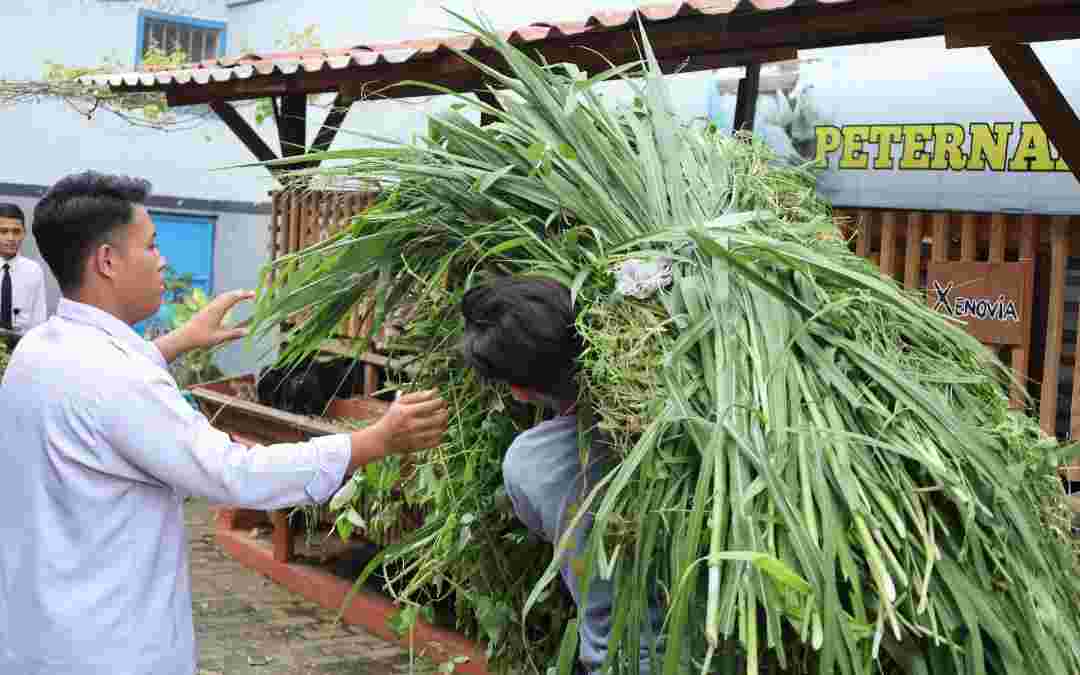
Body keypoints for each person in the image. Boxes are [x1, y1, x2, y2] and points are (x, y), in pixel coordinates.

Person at [0, 171, 449, 675]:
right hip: (108, 647)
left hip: (41, 631)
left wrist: (179, 341)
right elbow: (234, 474)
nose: (162, 260)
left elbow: (104, 394)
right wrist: (370, 442)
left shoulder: (38, 349)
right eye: (151, 245)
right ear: (107, 261)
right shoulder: (119, 379)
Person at [460, 276, 661, 675]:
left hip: (616, 662)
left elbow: (543, 529)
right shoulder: (680, 425)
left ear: (518, 391)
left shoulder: (527, 464)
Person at [0, 203, 48, 346]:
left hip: (22, 348)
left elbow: (39, 323)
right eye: (3, 231)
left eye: (16, 232)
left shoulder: (33, 271)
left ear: (24, 233)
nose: (10, 238)